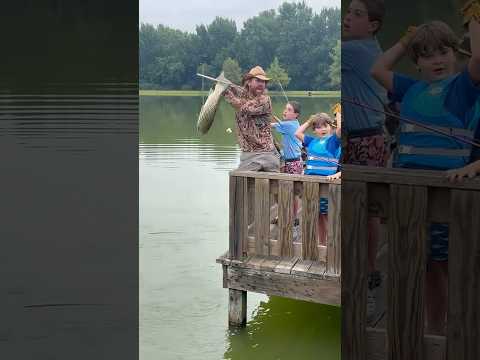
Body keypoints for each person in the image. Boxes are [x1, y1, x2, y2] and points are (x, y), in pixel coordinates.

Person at [370, 4, 480, 334]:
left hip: (449, 197)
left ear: (456, 56)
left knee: (452, 267)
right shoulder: (410, 88)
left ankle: (457, 330)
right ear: (417, 63)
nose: (437, 60)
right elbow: (377, 69)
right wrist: (406, 41)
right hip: (412, 198)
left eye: (444, 52)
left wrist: (473, 19)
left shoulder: (461, 87)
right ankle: (435, 329)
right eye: (428, 55)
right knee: (428, 268)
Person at [341, 0, 387, 322]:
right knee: (362, 211)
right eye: (348, 11)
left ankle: (369, 278)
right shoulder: (365, 48)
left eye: (357, 14)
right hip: (359, 137)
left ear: (372, 25)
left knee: (368, 211)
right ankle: (362, 271)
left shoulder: (358, 50)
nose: (347, 17)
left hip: (366, 139)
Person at [295, 112, 341, 246]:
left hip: (326, 186)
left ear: (331, 127)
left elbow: (340, 130)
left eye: (326, 125)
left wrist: (338, 114)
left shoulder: (333, 141)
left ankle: (329, 246)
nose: (323, 129)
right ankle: (320, 244)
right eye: (319, 127)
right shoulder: (311, 141)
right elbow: (297, 133)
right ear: (314, 130)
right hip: (311, 185)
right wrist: (310, 120)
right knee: (315, 216)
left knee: (326, 216)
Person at [223, 66, 280, 172]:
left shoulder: (265, 100)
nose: (261, 84)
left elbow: (244, 108)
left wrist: (226, 93)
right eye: (258, 80)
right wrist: (226, 85)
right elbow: (241, 94)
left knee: (239, 179)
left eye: (263, 82)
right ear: (249, 82)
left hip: (266, 154)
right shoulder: (244, 96)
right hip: (249, 154)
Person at [271, 101, 303, 174]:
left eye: (289, 110)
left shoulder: (288, 125)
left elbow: (270, 125)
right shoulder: (295, 122)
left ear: (296, 115)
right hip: (294, 161)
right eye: (285, 108)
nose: (285, 111)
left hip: (293, 163)